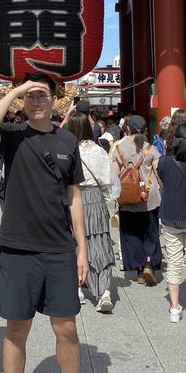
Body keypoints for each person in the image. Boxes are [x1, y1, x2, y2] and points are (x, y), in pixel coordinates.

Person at [0, 72, 94, 373]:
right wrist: (16, 91)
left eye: (42, 95)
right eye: (31, 97)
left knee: (66, 328)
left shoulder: (68, 140)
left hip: (59, 246)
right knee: (16, 329)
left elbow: (74, 196)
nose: (36, 101)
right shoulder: (12, 136)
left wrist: (82, 248)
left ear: (56, 101)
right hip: (18, 246)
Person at [154, 123, 186, 324]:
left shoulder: (163, 162)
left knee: (173, 262)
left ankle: (174, 307)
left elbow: (162, 183)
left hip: (170, 216)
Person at [67, 112, 115, 312]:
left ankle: (77, 287)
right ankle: (104, 291)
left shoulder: (69, 150)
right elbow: (107, 180)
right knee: (101, 242)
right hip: (96, 197)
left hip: (73, 198)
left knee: (76, 242)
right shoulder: (99, 151)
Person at [110, 115, 161, 286]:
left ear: (128, 129)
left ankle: (139, 271)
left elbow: (115, 175)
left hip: (128, 197)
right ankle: (149, 262)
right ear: (145, 129)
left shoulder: (119, 149)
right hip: (149, 197)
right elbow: (158, 172)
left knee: (132, 234)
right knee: (150, 232)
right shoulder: (150, 148)